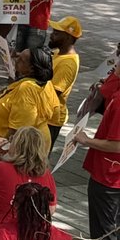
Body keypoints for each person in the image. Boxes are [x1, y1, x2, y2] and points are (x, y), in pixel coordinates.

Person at [68, 84, 120, 240]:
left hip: (109, 175)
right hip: (111, 174)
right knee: (111, 229)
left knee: (104, 232)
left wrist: (86, 140)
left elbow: (117, 145)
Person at [0, 45, 58, 146]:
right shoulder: (46, 83)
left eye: (21, 59)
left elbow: (17, 131)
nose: (16, 60)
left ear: (31, 69)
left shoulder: (26, 88)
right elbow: (56, 112)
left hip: (13, 149)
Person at [47, 15, 82, 145]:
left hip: (51, 118)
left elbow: (53, 93)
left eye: (56, 33)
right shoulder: (58, 53)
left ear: (67, 37)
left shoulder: (68, 64)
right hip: (45, 115)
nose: (51, 35)